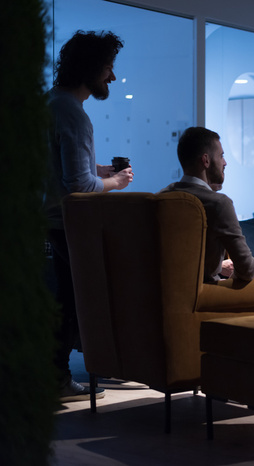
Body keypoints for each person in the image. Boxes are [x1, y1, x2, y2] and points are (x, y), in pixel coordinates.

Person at [44, 30, 133, 402]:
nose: (111, 77)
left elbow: (58, 169)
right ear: (92, 69)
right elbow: (78, 185)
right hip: (67, 225)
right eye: (108, 68)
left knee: (57, 300)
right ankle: (59, 380)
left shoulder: (49, 104)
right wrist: (116, 180)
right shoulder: (76, 116)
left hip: (44, 222)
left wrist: (98, 168)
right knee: (71, 301)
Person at [161, 126, 254, 283]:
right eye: (221, 156)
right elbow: (247, 270)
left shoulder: (162, 197)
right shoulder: (219, 203)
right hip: (206, 295)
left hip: (166, 294)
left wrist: (219, 266)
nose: (225, 163)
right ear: (206, 160)